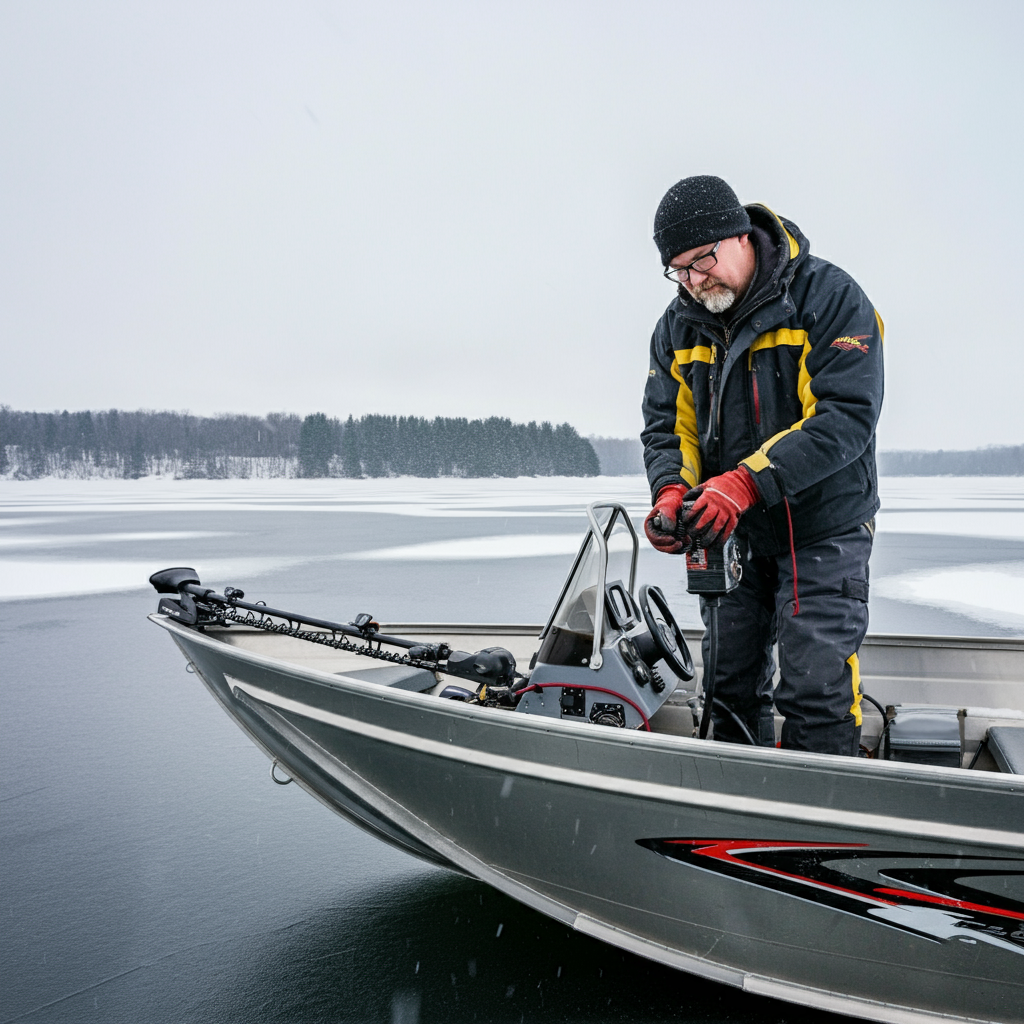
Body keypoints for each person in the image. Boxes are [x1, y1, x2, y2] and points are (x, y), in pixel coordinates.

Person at [641, 175, 884, 756]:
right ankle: (736, 823)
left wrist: (746, 483)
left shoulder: (829, 298)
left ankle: (822, 829)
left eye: (704, 260)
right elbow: (667, 427)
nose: (696, 282)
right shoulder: (677, 327)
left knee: (815, 688)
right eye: (680, 270)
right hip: (732, 535)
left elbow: (844, 417)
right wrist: (671, 491)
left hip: (821, 527)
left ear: (742, 236)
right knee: (728, 686)